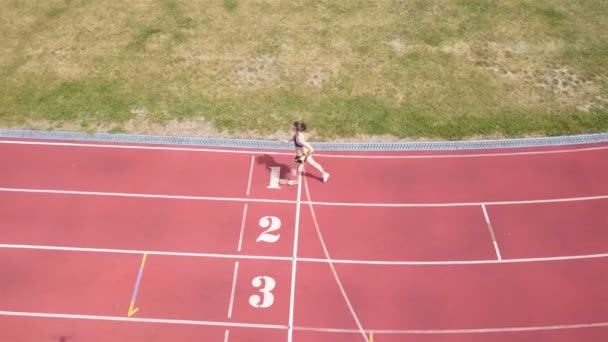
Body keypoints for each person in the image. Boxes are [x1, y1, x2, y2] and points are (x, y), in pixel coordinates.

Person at [281, 120, 329, 185]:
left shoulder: (300, 139)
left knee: (292, 167)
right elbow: (293, 138)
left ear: (297, 129)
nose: (292, 127)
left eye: (293, 126)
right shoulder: (296, 134)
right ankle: (324, 174)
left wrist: (304, 157)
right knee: (313, 163)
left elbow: (311, 149)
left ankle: (296, 181)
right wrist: (287, 141)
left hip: (302, 155)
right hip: (303, 153)